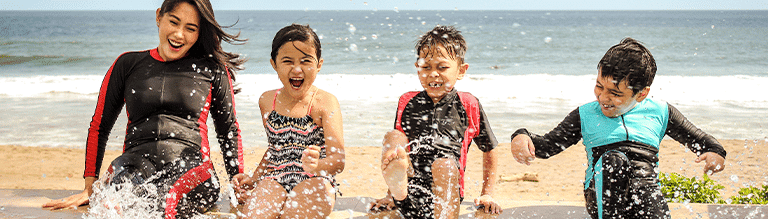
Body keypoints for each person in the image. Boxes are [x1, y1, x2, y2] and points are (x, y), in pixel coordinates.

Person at [42, 0, 246, 217]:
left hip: (192, 167)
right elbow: (99, 127)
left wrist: (238, 185)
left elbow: (228, 131)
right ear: (159, 16)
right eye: (173, 22)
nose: (179, 34)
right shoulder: (127, 64)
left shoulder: (212, 69)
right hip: (132, 164)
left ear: (199, 33)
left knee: (161, 204)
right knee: (112, 203)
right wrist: (89, 188)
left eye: (190, 28)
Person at [510, 38, 727, 219]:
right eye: (599, 86)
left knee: (649, 191)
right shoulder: (585, 115)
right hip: (603, 196)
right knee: (615, 160)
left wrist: (715, 153)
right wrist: (521, 135)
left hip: (645, 193)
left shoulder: (660, 112)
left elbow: (701, 140)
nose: (603, 98)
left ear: (641, 94)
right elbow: (547, 146)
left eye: (615, 93)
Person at [370, 25, 501, 219]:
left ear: (461, 71)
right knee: (394, 137)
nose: (433, 73)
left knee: (444, 165)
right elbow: (399, 150)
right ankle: (396, 192)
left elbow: (489, 147)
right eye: (426, 67)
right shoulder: (407, 101)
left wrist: (487, 193)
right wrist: (390, 195)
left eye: (442, 67)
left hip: (447, 193)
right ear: (417, 68)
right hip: (411, 190)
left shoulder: (468, 103)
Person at [231, 24, 345, 219]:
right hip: (274, 178)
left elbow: (338, 160)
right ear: (274, 64)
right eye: (287, 61)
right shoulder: (267, 101)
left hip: (315, 179)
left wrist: (317, 165)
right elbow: (275, 149)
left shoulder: (325, 103)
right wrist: (254, 178)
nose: (297, 69)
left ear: (319, 64)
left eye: (306, 60)